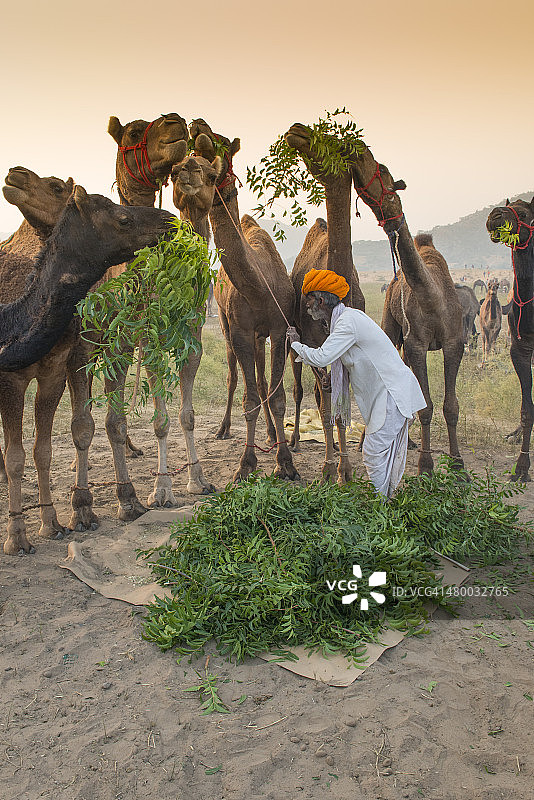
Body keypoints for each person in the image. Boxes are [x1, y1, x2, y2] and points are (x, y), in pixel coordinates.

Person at [287, 269, 426, 499]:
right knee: (383, 455)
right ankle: (386, 504)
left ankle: (380, 507)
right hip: (388, 394)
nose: (307, 306)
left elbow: (323, 357)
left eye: (309, 300)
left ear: (321, 300)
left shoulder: (347, 322)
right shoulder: (346, 320)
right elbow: (351, 358)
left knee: (373, 452)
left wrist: (296, 344)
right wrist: (331, 376)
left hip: (391, 393)